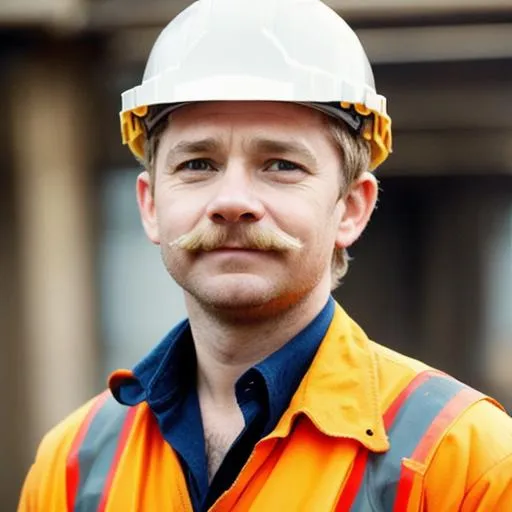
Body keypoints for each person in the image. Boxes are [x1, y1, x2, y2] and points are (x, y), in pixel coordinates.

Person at [19, 0, 512, 510]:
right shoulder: (72, 466)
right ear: (150, 205)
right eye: (197, 163)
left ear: (351, 208)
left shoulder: (467, 463)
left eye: (280, 164)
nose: (232, 201)